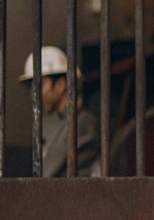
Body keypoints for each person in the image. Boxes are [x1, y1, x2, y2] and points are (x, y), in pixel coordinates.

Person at [18, 45, 100, 177]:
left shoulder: (83, 123)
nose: (34, 94)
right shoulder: (63, 124)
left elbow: (46, 176)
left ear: (60, 85)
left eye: (39, 85)